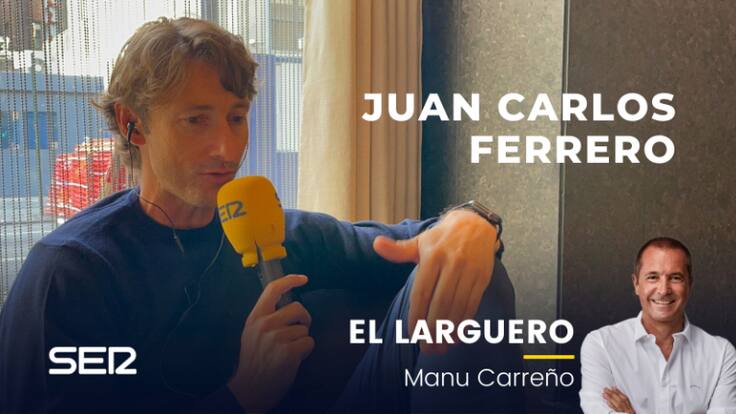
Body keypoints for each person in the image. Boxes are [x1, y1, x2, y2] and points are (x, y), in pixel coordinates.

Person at [0, 17, 519, 413]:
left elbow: (414, 241)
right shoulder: (71, 272)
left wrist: (472, 222)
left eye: (236, 117)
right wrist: (241, 395)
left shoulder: (279, 231)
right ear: (133, 123)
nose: (226, 148)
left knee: (467, 270)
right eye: (196, 120)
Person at [579, 237, 736, 414]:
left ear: (689, 285)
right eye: (653, 277)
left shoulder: (721, 354)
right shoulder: (601, 344)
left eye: (675, 278)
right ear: (636, 284)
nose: (663, 290)